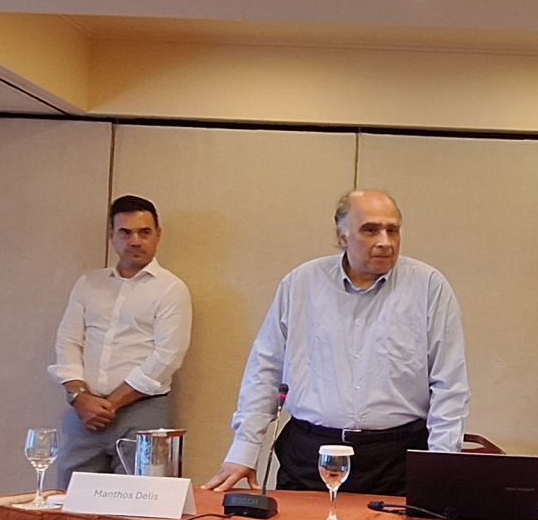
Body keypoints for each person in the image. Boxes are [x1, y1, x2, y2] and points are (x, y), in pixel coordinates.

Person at [205, 189, 468, 498]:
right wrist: (244, 449)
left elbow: (449, 386)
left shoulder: (428, 286)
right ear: (342, 236)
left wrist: (440, 468)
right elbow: (265, 370)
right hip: (309, 455)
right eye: (370, 230)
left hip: (395, 459)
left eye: (393, 230)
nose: (385, 241)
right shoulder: (301, 283)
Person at [46, 193, 193, 488]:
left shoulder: (171, 289)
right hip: (84, 412)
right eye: (125, 232)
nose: (134, 241)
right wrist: (80, 397)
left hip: (142, 410)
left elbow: (167, 356)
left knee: (140, 501)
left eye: (144, 232)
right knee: (72, 500)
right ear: (111, 235)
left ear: (158, 235)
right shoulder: (88, 284)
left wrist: (109, 405)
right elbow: (68, 341)